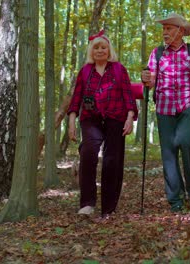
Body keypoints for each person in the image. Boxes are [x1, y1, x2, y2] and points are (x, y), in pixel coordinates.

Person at [141, 13, 190, 212]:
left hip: (188, 106)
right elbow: (150, 83)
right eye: (164, 29)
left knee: (186, 142)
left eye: (169, 28)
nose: (165, 32)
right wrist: (146, 78)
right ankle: (175, 199)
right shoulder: (157, 54)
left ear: (180, 31)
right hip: (164, 108)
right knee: (169, 154)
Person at [67, 30, 138, 218]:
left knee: (112, 160)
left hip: (116, 117)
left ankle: (109, 207)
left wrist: (130, 117)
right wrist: (72, 121)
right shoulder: (85, 71)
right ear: (92, 51)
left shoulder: (118, 69)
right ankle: (87, 203)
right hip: (91, 118)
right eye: (96, 48)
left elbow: (128, 96)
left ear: (109, 50)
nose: (100, 51)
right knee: (89, 152)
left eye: (103, 47)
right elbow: (76, 99)